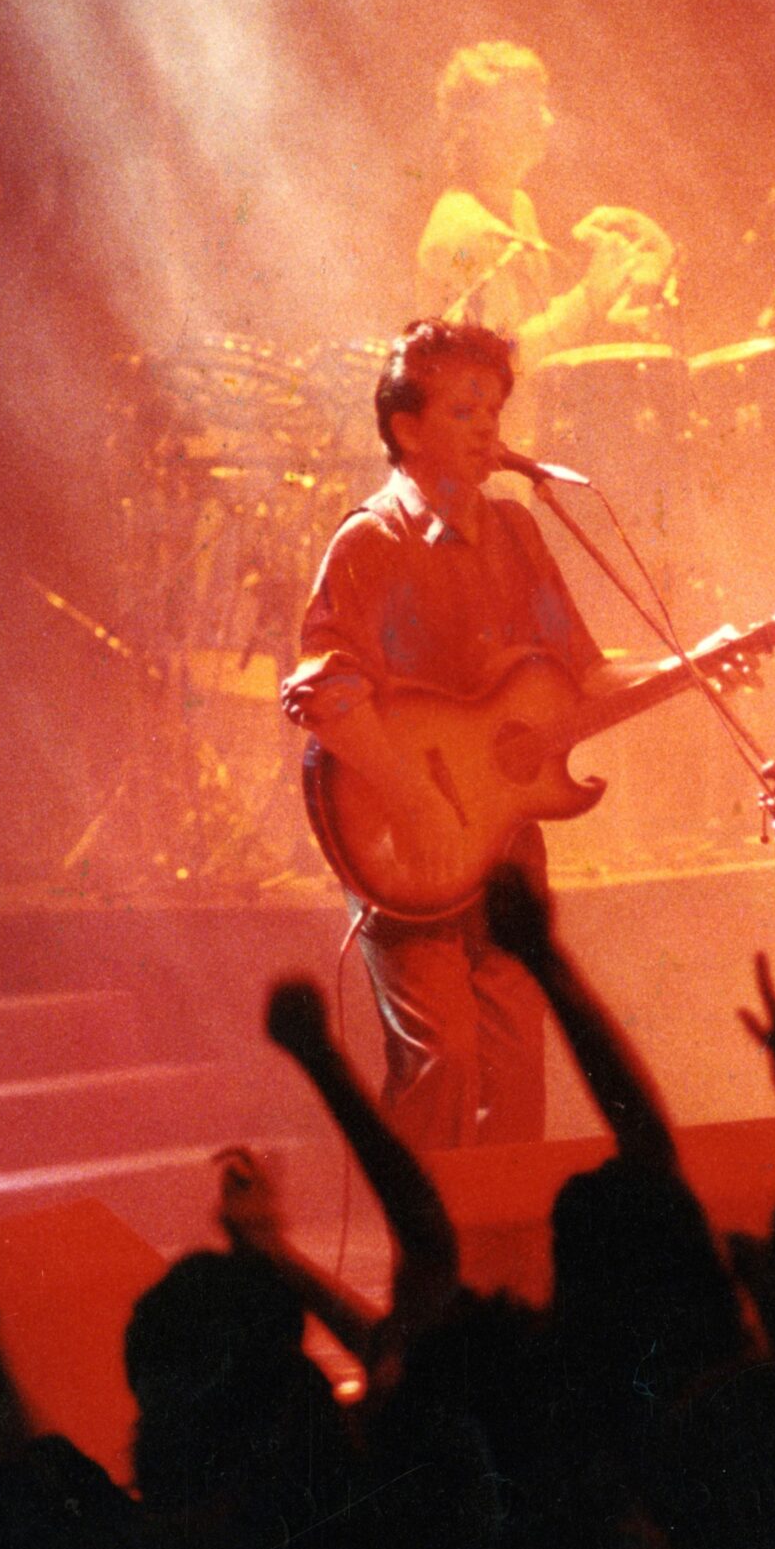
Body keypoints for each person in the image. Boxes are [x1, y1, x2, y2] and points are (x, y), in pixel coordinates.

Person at [280, 317, 619, 1149]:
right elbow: (323, 694)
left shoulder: (519, 531)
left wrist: (709, 657)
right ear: (405, 428)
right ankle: (428, 1263)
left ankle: (510, 1265)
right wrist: (415, 802)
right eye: (464, 411)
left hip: (504, 846)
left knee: (515, 1067)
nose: (488, 430)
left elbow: (587, 673)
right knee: (443, 1059)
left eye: (494, 411)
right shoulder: (371, 541)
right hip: (405, 840)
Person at [415, 42, 673, 400]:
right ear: (484, 128)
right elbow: (499, 360)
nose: (548, 120)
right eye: (528, 110)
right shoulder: (461, 238)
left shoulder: (518, 206)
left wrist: (615, 301)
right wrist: (587, 297)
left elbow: (533, 333)